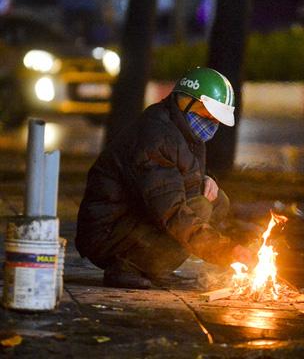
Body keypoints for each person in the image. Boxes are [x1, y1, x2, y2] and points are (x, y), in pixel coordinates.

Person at [76, 67, 252, 289]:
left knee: (216, 200)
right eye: (206, 113)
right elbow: (172, 213)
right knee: (199, 209)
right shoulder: (157, 137)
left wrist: (207, 179)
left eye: (214, 117)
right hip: (106, 233)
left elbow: (180, 175)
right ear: (185, 101)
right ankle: (127, 266)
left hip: (135, 217)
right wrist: (227, 250)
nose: (211, 122)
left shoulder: (182, 128)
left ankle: (151, 265)